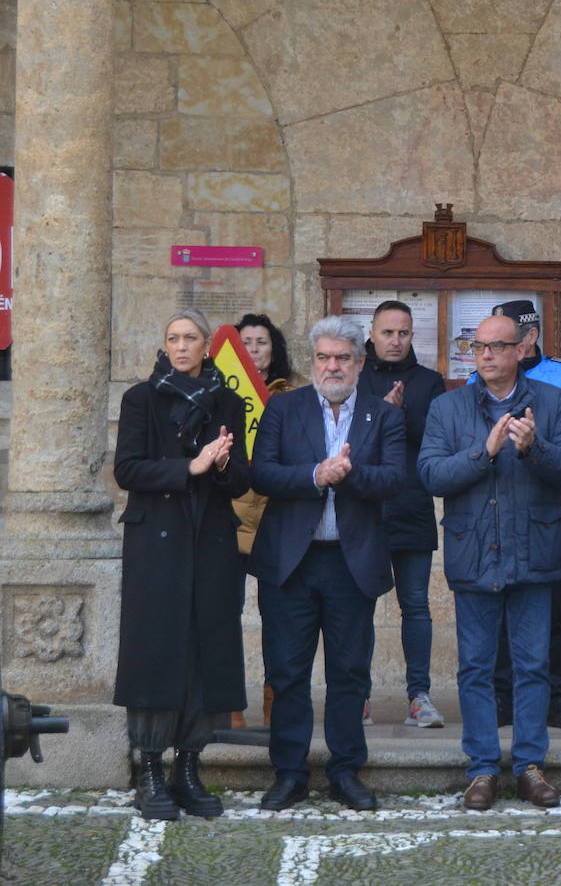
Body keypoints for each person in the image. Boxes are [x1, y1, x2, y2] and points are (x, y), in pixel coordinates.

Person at [418, 314, 561, 810]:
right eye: (477, 347)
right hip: (474, 554)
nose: (485, 355)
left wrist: (535, 449)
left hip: (534, 552)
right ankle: (483, 769)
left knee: (533, 665)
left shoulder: (551, 403)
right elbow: (429, 474)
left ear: (521, 350)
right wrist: (483, 451)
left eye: (496, 346)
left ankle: (531, 766)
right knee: (475, 668)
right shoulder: (448, 407)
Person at [250, 316, 406, 812]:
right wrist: (316, 474)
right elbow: (264, 473)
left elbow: (394, 480)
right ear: (312, 361)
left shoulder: (384, 416)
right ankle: (290, 773)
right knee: (287, 672)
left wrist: (348, 475)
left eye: (342, 357)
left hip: (350, 563)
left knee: (349, 674)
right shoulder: (283, 407)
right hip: (291, 563)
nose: (332, 366)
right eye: (323, 357)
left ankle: (345, 772)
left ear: (360, 363)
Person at [114, 309, 250, 820]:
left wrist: (219, 467)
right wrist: (186, 467)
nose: (180, 346)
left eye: (190, 338)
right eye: (172, 338)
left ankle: (188, 767)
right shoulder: (140, 399)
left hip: (210, 540)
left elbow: (240, 481)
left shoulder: (227, 401)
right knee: (155, 648)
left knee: (205, 648)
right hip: (157, 544)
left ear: (207, 344)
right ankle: (150, 770)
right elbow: (127, 469)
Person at [475, 300, 561, 731]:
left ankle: (558, 699)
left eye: (522, 335)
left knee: (556, 604)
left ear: (531, 338)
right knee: (501, 601)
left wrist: (533, 438)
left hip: (550, 502)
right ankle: (504, 697)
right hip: (497, 502)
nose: (515, 345)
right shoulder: (481, 376)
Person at [358, 299, 447, 729]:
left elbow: (435, 437)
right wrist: (383, 414)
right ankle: (358, 695)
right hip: (364, 508)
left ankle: (419, 695)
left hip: (411, 504)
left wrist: (396, 415)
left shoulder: (429, 382)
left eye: (404, 333)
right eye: (387, 332)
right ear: (372, 334)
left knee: (415, 605)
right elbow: (349, 439)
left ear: (414, 336)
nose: (395, 341)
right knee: (359, 605)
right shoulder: (355, 378)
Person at [231, 313, 294, 729]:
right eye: (247, 342)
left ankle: (276, 701)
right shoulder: (221, 392)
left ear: (275, 350)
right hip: (231, 518)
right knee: (225, 613)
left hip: (277, 519)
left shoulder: (292, 396)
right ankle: (231, 702)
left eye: (262, 342)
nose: (254, 350)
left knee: (279, 617)